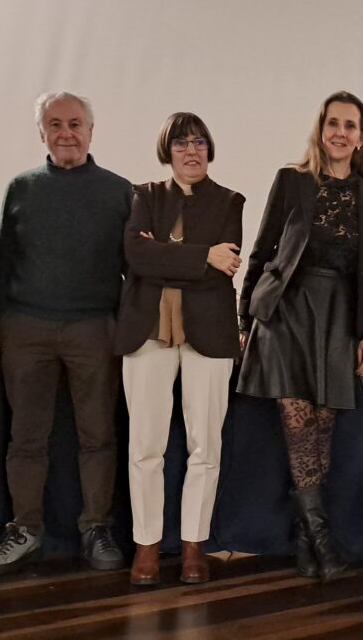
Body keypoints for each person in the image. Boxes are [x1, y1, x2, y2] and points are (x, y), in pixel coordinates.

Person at [237, 91, 363, 582]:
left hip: (338, 315)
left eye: (350, 125)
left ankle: (306, 540)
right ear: (320, 131)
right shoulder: (291, 180)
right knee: (298, 423)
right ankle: (323, 539)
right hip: (286, 313)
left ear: (361, 137)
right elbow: (262, 251)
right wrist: (244, 319)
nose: (340, 132)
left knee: (323, 426)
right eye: (333, 123)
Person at [0, 92, 130, 574]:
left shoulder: (119, 191)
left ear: (91, 131)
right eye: (55, 124)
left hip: (94, 329)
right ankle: (25, 528)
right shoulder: (21, 188)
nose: (66, 133)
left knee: (97, 435)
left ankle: (95, 527)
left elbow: (134, 268)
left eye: (75, 123)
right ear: (42, 133)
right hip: (25, 328)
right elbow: (5, 259)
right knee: (25, 437)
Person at [114, 112, 244, 585]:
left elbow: (224, 266)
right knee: (145, 446)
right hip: (146, 330)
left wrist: (166, 257)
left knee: (205, 446)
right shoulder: (145, 196)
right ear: (167, 151)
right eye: (181, 143)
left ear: (210, 149)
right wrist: (201, 254)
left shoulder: (230, 201)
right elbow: (136, 256)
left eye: (199, 142)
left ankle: (194, 545)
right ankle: (147, 546)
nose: (191, 151)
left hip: (209, 332)